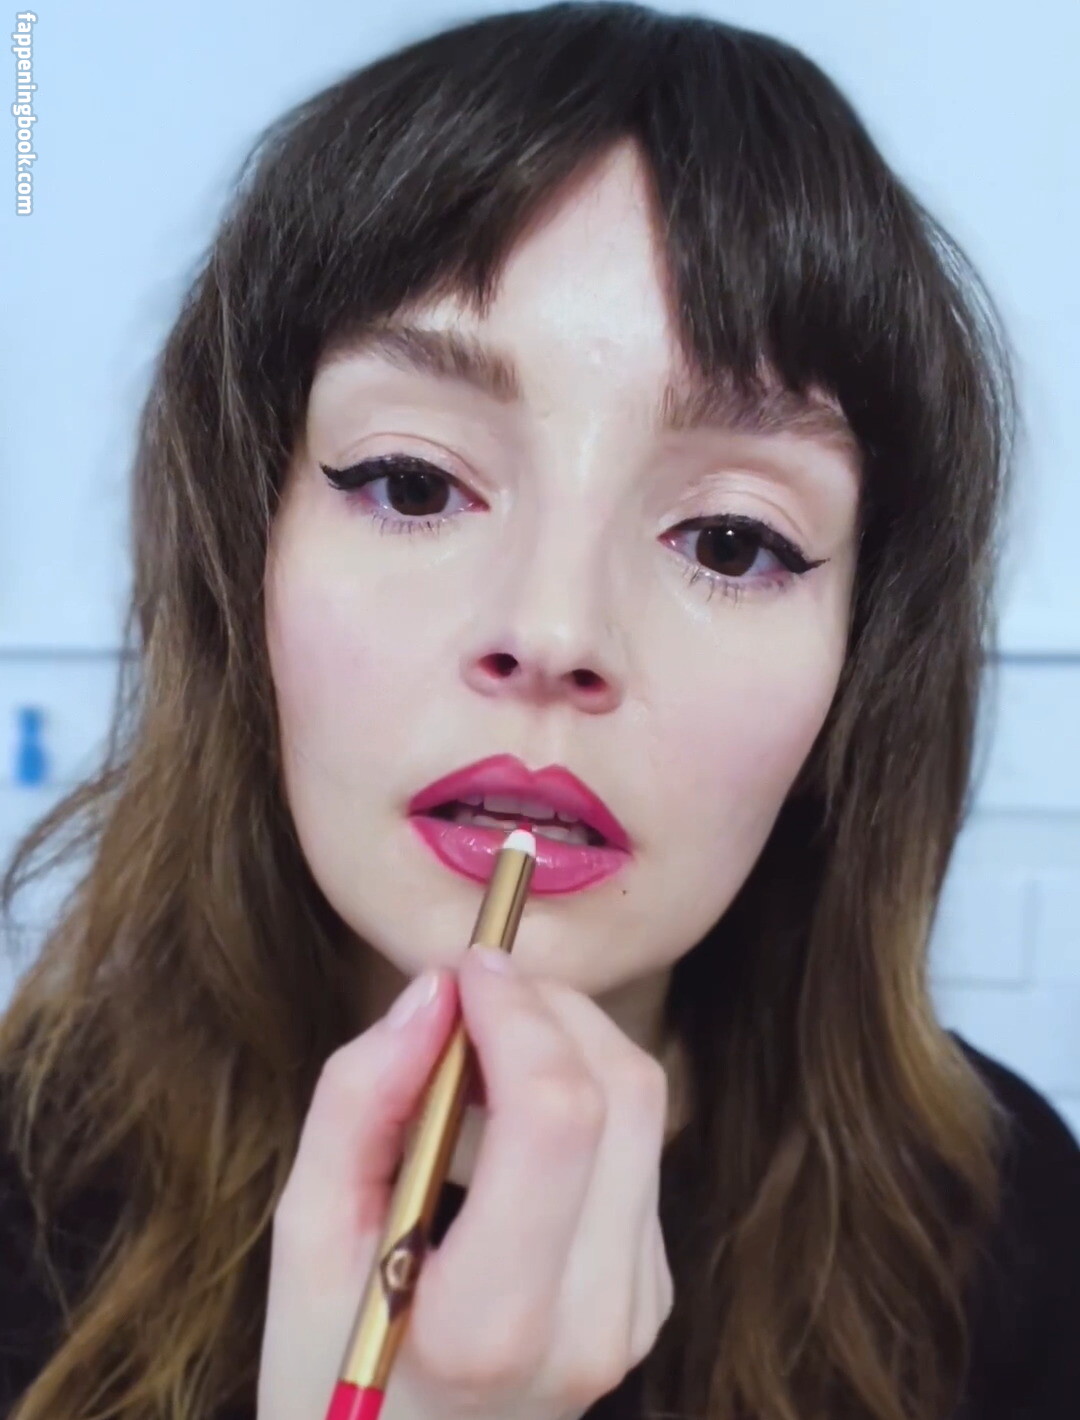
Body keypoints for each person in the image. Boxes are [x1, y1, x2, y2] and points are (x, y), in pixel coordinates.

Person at [2, 3, 1078, 1418]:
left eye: (733, 542)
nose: (556, 632)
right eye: (412, 482)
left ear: (858, 665)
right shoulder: (23, 1178)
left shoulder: (1002, 1231)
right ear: (241, 557)